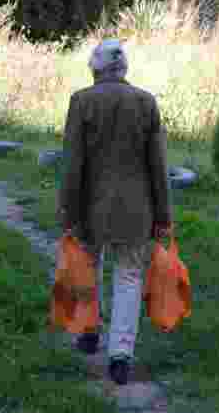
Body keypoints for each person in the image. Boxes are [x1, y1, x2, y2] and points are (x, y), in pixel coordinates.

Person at [57, 39, 172, 385]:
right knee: (129, 277)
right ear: (124, 69)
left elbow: (73, 164)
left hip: (91, 207)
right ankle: (121, 355)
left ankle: (89, 332)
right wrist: (163, 215)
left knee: (87, 268)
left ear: (95, 68)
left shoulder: (82, 102)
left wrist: (68, 212)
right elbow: (158, 166)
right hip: (138, 210)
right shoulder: (146, 103)